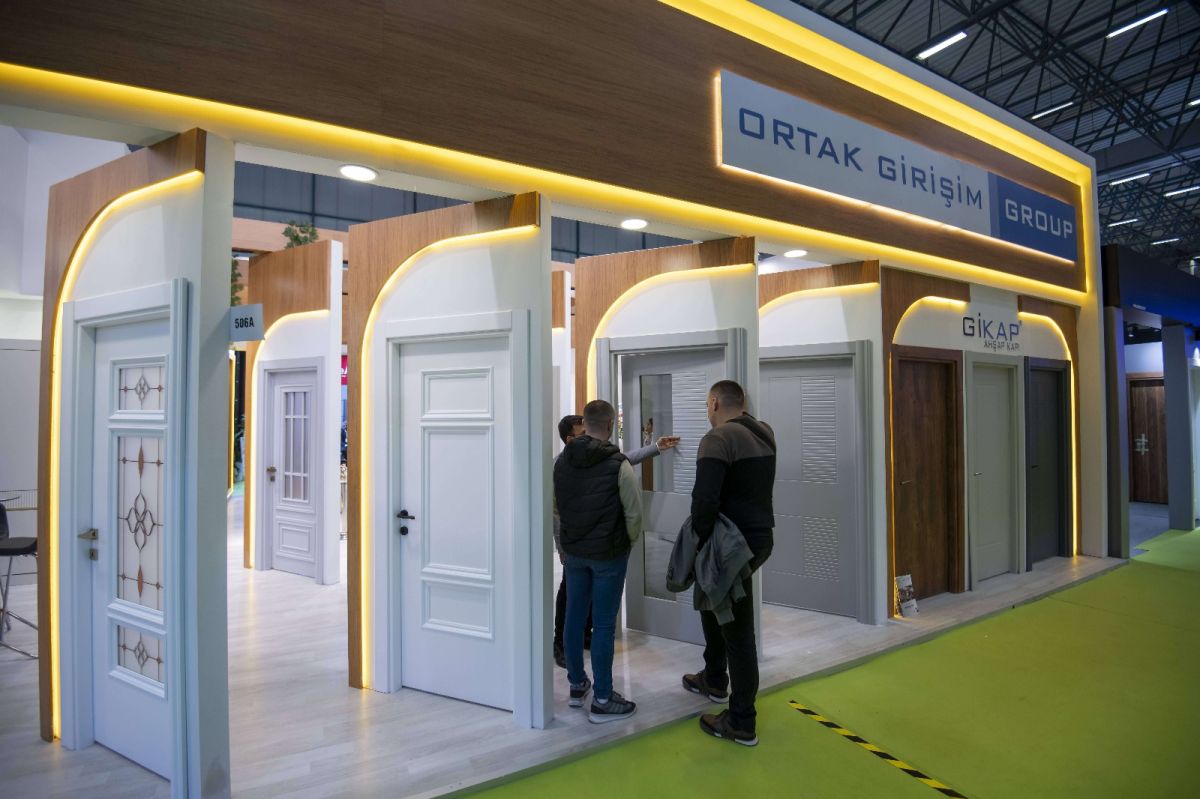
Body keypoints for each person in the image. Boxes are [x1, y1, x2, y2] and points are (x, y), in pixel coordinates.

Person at [682, 379, 776, 746]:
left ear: (714, 403)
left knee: (738, 630)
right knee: (713, 601)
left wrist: (698, 543)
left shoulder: (717, 439)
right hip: (759, 538)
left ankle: (741, 721)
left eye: (707, 405)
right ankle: (714, 677)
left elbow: (704, 500)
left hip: (730, 545)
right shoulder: (764, 432)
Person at [552, 415, 678, 668]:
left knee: (590, 598)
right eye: (583, 433)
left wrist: (655, 447)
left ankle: (584, 638)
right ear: (570, 439)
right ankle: (561, 645)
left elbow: (624, 459)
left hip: (597, 544)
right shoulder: (560, 464)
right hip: (575, 546)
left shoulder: (600, 458)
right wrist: (561, 546)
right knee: (570, 598)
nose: (589, 436)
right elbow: (556, 512)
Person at [554, 400, 643, 723]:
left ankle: (577, 686)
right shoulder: (618, 464)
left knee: (574, 618)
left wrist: (566, 542)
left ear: (586, 423)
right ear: (609, 425)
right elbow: (634, 513)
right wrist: (627, 543)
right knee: (603, 625)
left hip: (575, 553)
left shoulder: (561, 462)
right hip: (608, 555)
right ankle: (603, 699)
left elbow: (556, 508)